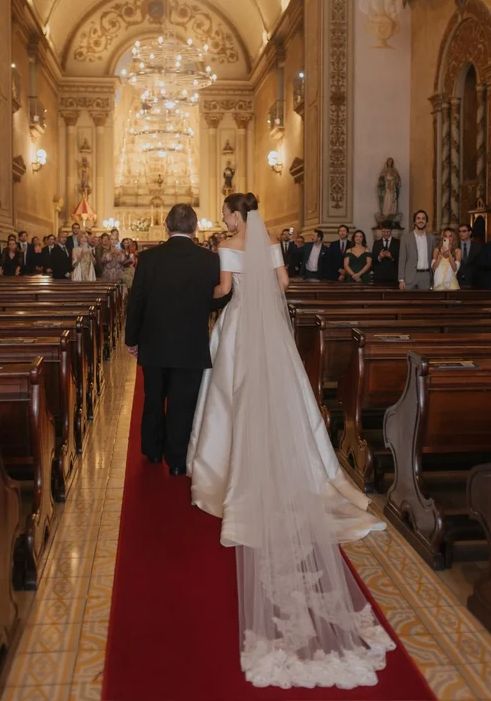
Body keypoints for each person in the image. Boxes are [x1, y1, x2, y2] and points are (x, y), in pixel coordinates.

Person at [187, 192, 393, 689]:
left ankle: (232, 471)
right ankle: (301, 468)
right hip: (270, 334)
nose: (227, 218)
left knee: (230, 401)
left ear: (237, 215)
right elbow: (283, 284)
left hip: (238, 328)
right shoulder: (273, 242)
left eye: (228, 212)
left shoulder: (227, 245)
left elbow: (222, 291)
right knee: (282, 393)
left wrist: (209, 294)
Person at [125, 203, 229, 475]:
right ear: (195, 228)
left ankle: (152, 451)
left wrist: (131, 339)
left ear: (167, 227)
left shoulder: (149, 258)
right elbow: (220, 297)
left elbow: (136, 301)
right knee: (184, 403)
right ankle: (177, 461)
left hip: (155, 341)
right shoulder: (209, 259)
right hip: (191, 343)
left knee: (154, 397)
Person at [398, 210, 435, 291]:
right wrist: (401, 280)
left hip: (426, 277)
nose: (421, 220)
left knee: (425, 301)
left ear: (426, 222)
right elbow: (402, 260)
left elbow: (433, 258)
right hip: (409, 277)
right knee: (408, 302)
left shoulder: (431, 238)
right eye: (418, 218)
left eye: (423, 218)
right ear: (414, 222)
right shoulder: (405, 238)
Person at [457, 223, 482, 288]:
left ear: (470, 232)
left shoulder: (478, 247)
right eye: (459, 231)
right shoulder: (455, 246)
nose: (461, 233)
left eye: (464, 231)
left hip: (473, 281)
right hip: (457, 280)